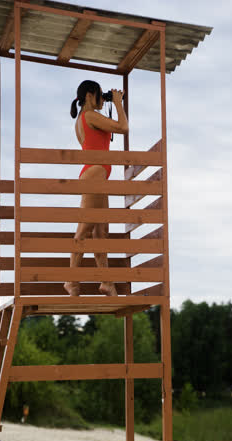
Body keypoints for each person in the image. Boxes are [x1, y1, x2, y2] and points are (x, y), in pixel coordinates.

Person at [64, 80, 128, 297]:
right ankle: (71, 281)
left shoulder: (85, 119)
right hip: (95, 174)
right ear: (90, 95)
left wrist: (112, 101)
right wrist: (118, 103)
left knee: (102, 231)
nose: (103, 99)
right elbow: (123, 127)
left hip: (97, 174)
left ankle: (106, 282)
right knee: (85, 228)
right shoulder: (89, 116)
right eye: (101, 95)